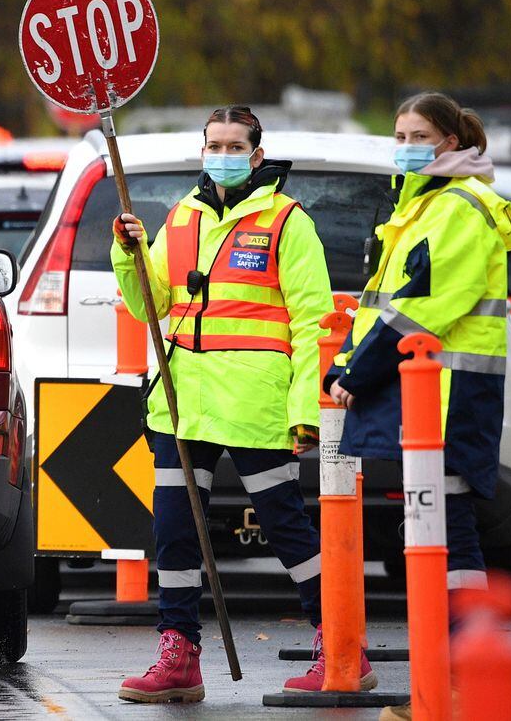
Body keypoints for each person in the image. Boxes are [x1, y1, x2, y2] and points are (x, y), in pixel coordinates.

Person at [113, 106, 373, 704]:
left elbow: (312, 321)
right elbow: (148, 303)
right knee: (175, 531)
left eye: (234, 146)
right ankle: (178, 654)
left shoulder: (286, 222)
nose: (221, 155)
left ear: (256, 155)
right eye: (213, 144)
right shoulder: (181, 216)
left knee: (285, 525)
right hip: (183, 401)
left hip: (256, 403)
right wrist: (131, 252)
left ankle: (341, 648)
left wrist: (304, 410)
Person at [324, 92, 511, 721]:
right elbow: (382, 303)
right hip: (424, 393)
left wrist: (356, 372)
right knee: (437, 536)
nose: (406, 145)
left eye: (418, 135)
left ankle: (459, 680)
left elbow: (426, 307)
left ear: (451, 142)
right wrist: (345, 362)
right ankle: (448, 681)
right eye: (399, 134)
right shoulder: (424, 206)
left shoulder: (459, 210)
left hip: (444, 395)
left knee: (450, 536)